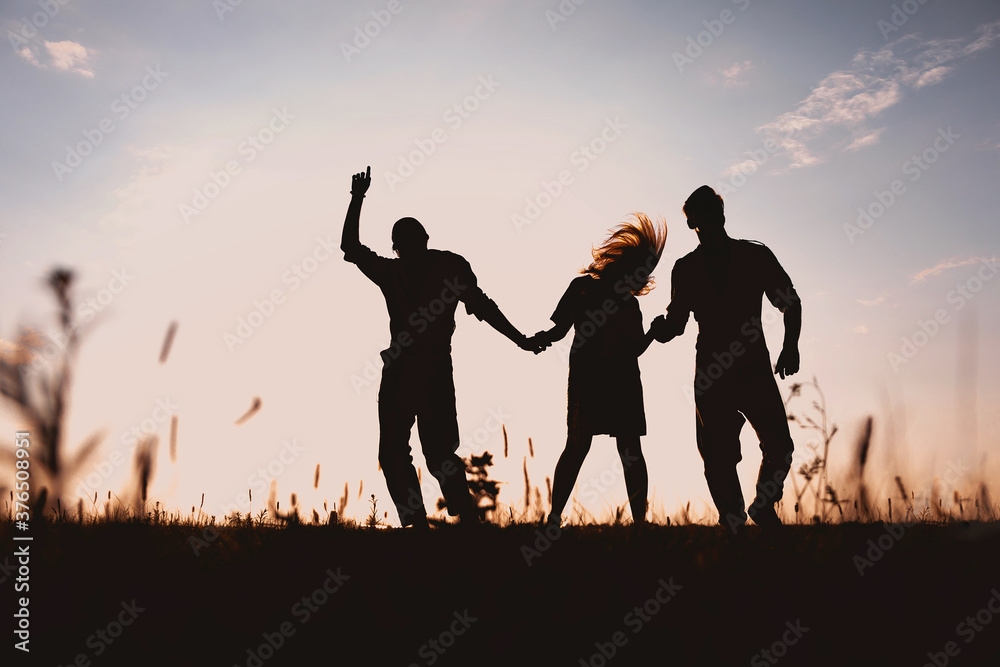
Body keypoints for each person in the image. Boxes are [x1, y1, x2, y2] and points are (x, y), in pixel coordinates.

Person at [341, 166, 543, 529]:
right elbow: (484, 307)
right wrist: (520, 340)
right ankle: (446, 520)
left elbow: (351, 247)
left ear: (398, 247)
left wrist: (357, 198)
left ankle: (431, 522)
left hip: (413, 370)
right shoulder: (444, 266)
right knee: (430, 453)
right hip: (424, 370)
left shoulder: (406, 270)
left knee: (409, 453)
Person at [651, 185, 801, 533]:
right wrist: (662, 329)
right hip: (713, 373)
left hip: (751, 368)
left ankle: (762, 506)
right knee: (718, 455)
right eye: (699, 218)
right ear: (693, 224)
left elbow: (789, 301)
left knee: (778, 445)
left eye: (711, 214)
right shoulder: (685, 269)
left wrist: (790, 345)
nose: (707, 223)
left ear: (721, 215)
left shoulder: (755, 255)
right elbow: (677, 324)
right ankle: (733, 522)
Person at [531, 214, 666, 528]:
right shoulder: (584, 289)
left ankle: (637, 521)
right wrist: (541, 338)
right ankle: (556, 517)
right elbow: (559, 330)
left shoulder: (625, 303)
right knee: (589, 445)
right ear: (624, 265)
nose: (642, 277)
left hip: (611, 379)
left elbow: (631, 348)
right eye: (640, 270)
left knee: (613, 446)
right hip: (594, 379)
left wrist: (652, 335)